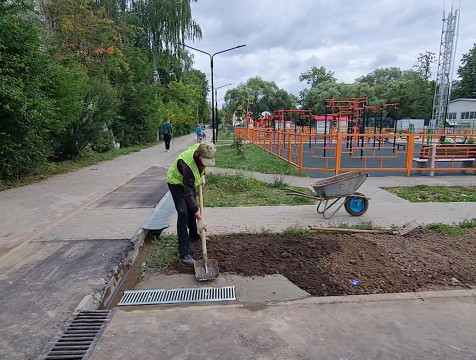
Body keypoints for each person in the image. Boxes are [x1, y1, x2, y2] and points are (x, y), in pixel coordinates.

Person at [166, 141, 216, 265]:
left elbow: (202, 165)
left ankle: (194, 235)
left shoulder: (203, 148)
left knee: (191, 209)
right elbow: (188, 195)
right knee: (183, 212)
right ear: (198, 154)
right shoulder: (187, 165)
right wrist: (199, 218)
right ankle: (185, 253)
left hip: (189, 182)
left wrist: (202, 175)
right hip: (176, 183)